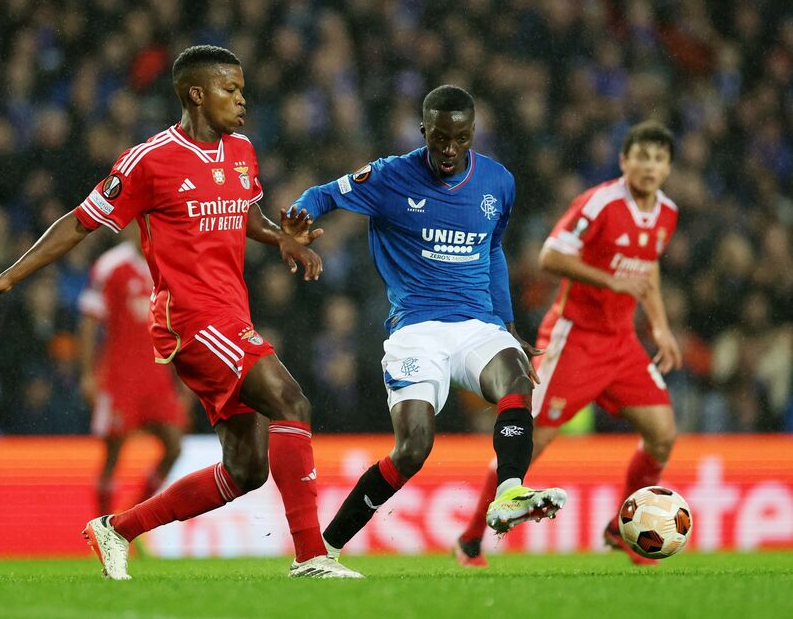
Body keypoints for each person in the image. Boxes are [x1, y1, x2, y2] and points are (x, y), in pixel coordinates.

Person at [0, 45, 362, 580]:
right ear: (196, 94)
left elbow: (247, 212)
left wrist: (280, 240)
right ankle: (312, 556)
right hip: (192, 320)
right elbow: (79, 222)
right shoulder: (149, 161)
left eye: (242, 88)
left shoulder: (242, 150)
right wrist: (8, 275)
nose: (243, 99)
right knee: (291, 400)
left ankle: (116, 529)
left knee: (245, 470)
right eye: (231, 89)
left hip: (231, 314)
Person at [287, 85, 567, 561]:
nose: (450, 150)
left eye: (460, 139)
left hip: (478, 324)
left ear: (473, 133)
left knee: (517, 376)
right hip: (416, 329)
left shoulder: (498, 182)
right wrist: (298, 222)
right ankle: (323, 549)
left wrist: (506, 321)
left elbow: (494, 250)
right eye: (440, 139)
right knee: (413, 448)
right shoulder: (390, 175)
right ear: (424, 131)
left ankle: (510, 492)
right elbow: (323, 195)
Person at [455, 120, 681, 567]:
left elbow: (647, 268)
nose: (650, 166)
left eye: (659, 159)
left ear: (668, 167)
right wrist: (611, 280)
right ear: (624, 160)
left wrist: (659, 325)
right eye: (642, 156)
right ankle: (470, 539)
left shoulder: (667, 213)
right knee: (530, 445)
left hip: (622, 345)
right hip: (574, 340)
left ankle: (621, 529)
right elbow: (550, 255)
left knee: (662, 435)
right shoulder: (599, 203)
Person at [77, 233, 189, 516]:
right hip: (119, 375)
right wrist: (88, 374)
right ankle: (102, 529)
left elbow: (178, 327)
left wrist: (185, 380)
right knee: (113, 454)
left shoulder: (169, 266)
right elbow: (89, 321)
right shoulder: (111, 265)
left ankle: (130, 520)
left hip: (157, 375)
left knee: (174, 446)